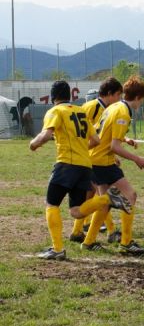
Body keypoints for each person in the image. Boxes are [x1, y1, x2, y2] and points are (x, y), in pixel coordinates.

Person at [29, 80, 132, 260]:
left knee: (51, 204)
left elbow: (46, 134)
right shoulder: (80, 112)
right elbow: (96, 140)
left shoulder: (55, 111)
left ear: (53, 97)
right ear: (69, 95)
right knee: (77, 211)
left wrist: (34, 143)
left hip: (66, 164)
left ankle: (58, 249)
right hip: (85, 165)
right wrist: (81, 148)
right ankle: (108, 198)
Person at [80, 76, 144, 255]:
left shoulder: (113, 107)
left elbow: (101, 134)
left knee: (106, 203)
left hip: (97, 159)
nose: (140, 104)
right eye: (141, 100)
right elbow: (114, 146)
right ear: (137, 97)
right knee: (130, 195)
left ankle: (89, 242)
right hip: (102, 161)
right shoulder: (123, 112)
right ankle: (126, 243)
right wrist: (137, 159)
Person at [70, 77, 124, 244]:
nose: (120, 99)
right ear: (109, 94)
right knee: (104, 195)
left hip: (95, 157)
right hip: (89, 159)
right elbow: (82, 134)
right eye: (118, 95)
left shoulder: (107, 110)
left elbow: (102, 135)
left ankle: (77, 231)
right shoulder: (91, 108)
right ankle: (111, 231)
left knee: (91, 196)